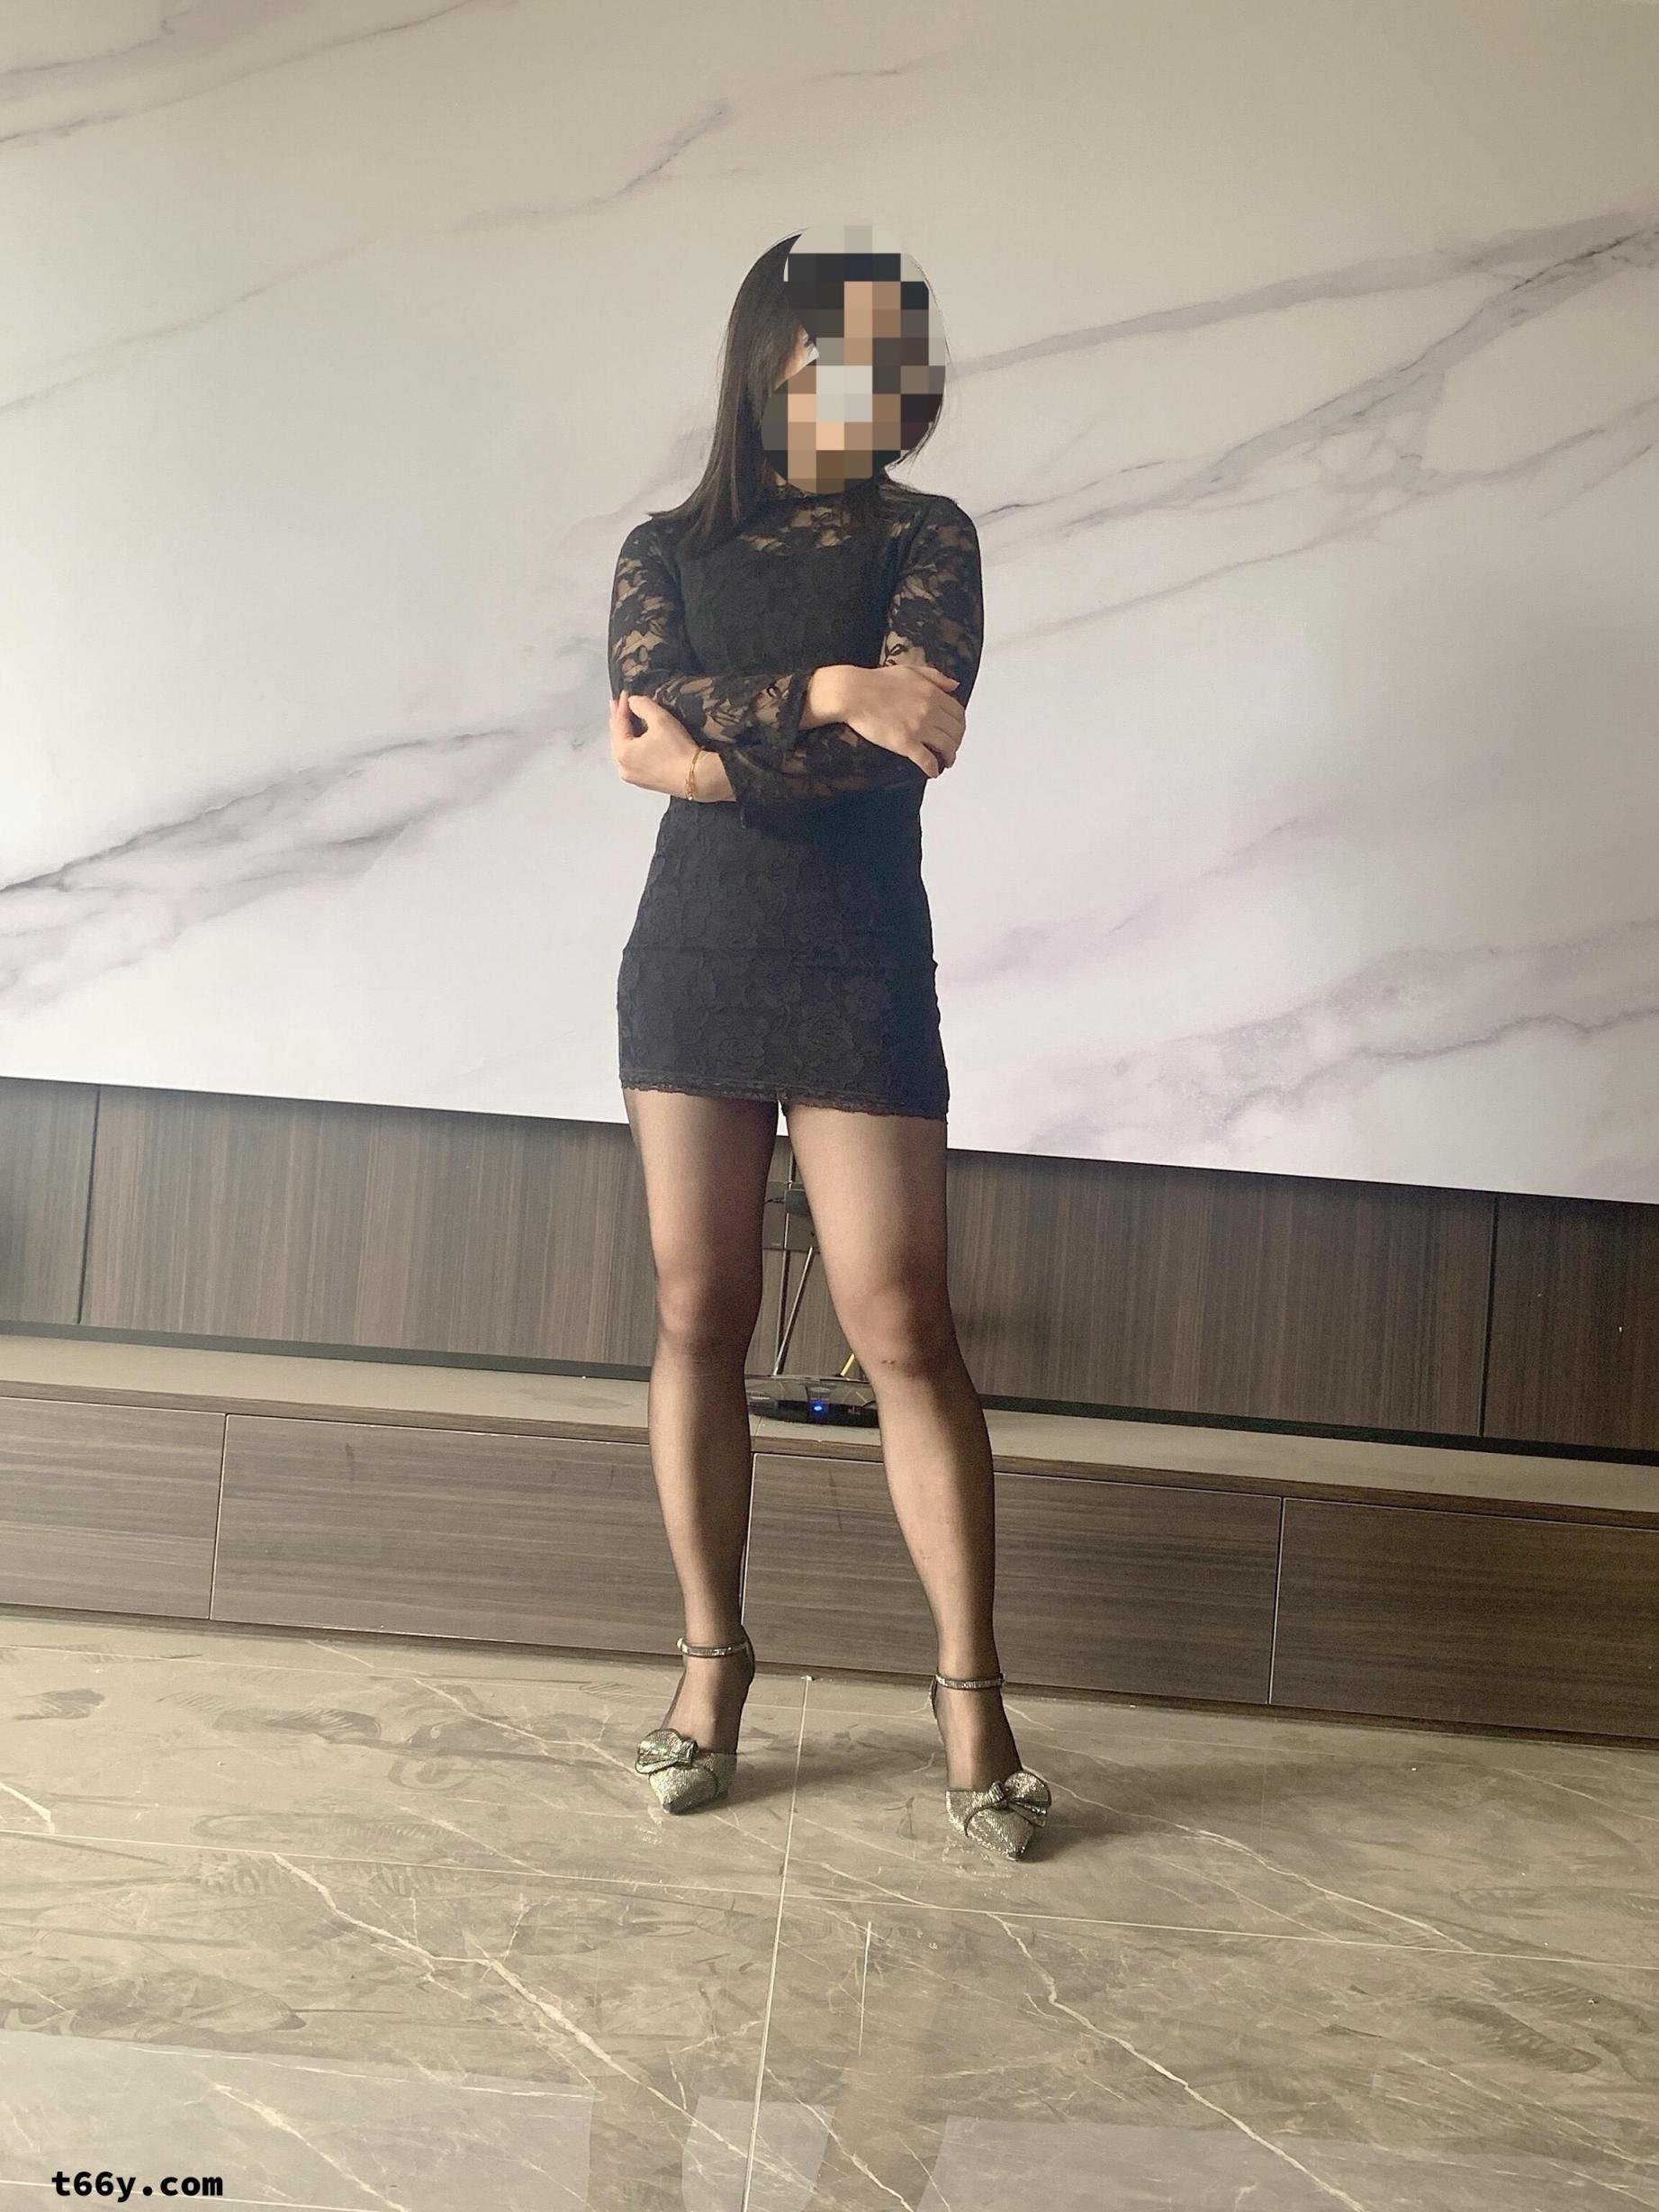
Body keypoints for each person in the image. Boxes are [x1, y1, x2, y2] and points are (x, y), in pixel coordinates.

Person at [605, 224, 1051, 1859]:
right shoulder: (663, 548)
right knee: (697, 1308)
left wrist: (724, 755)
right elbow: (646, 712)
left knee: (903, 1321)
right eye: (841, 355)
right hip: (695, 955)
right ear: (770, 360)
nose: (874, 387)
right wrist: (834, 685)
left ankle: (971, 1693)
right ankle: (710, 1664)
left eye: (892, 361)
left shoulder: (932, 534)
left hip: (857, 953)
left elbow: (907, 741)